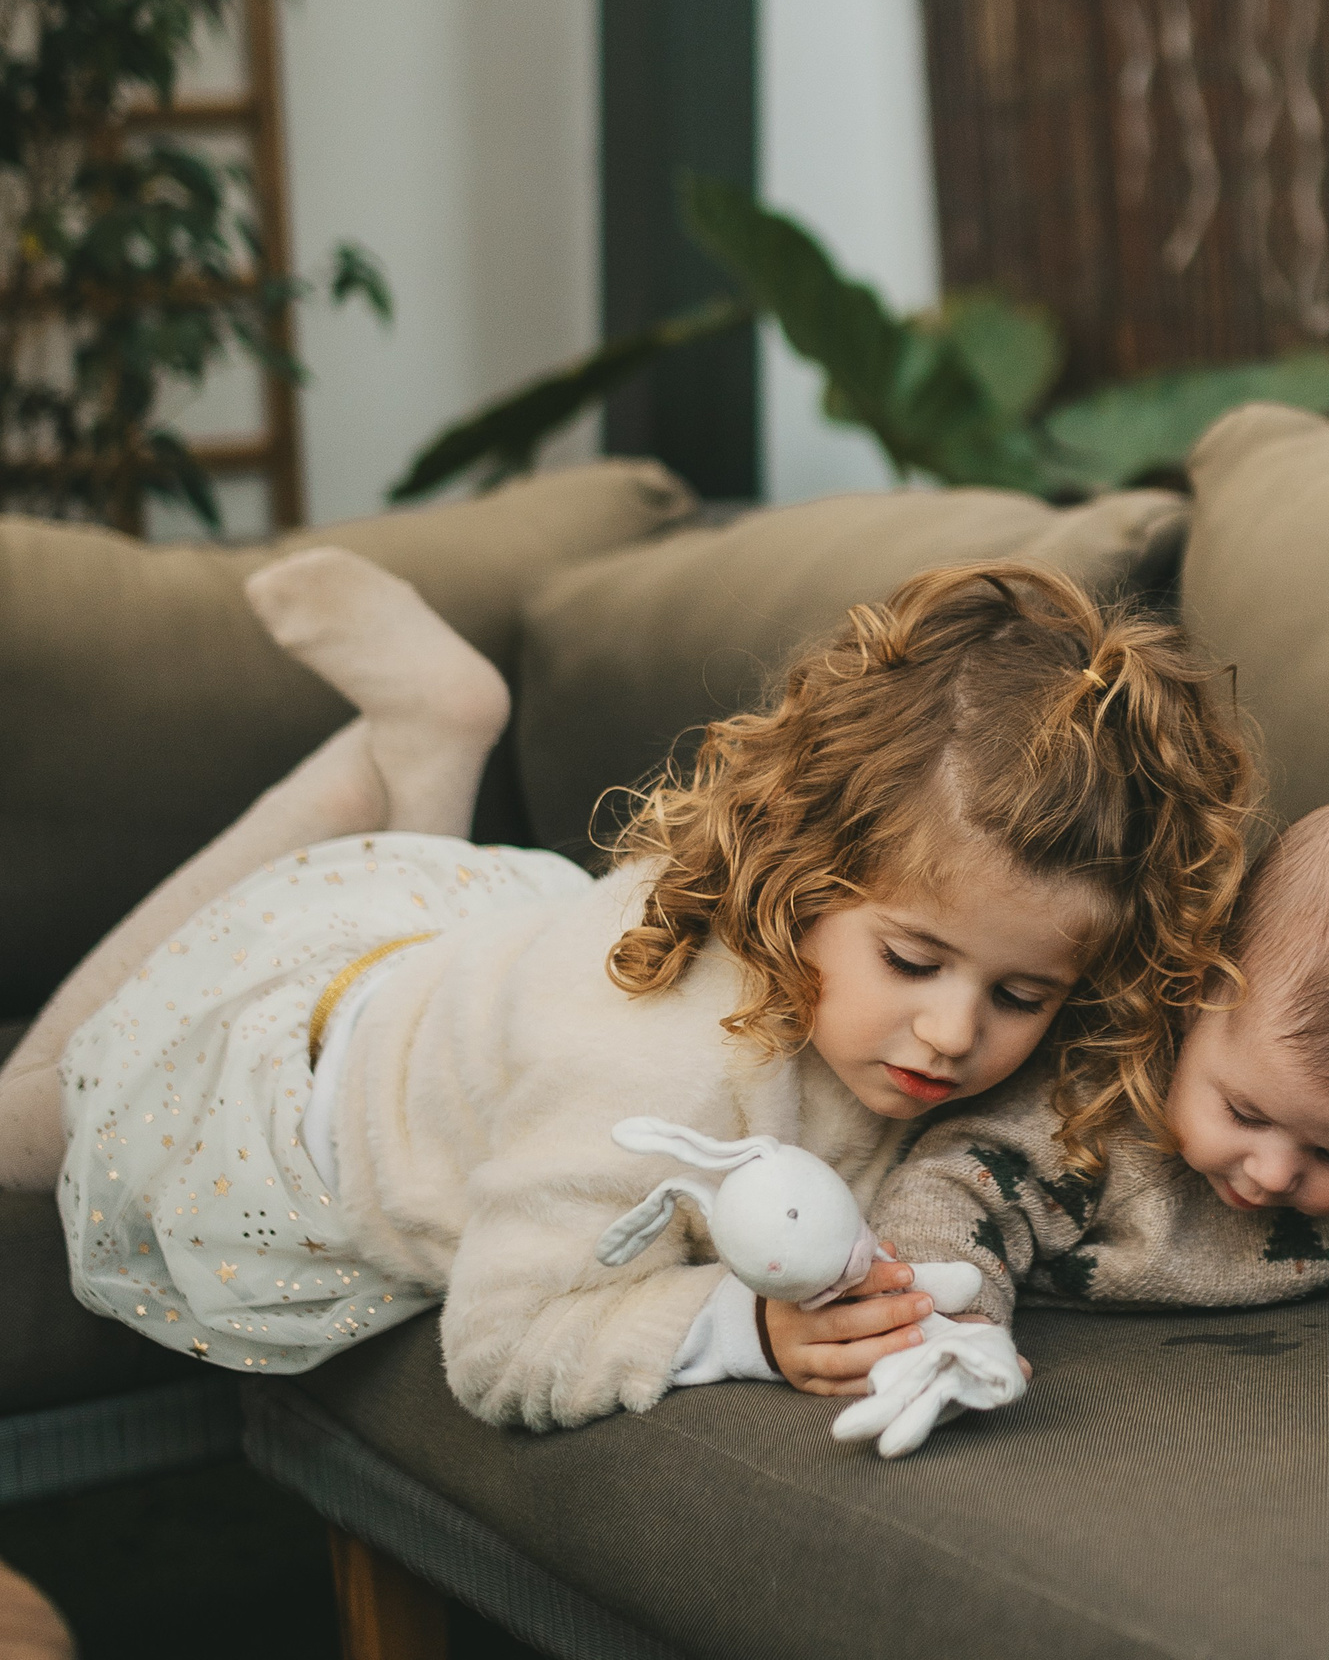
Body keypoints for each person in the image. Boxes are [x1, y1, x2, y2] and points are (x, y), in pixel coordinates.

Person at [3, 549, 1255, 1430]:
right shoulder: (644, 1068)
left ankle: (418, 754)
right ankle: (407, 757)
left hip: (468, 972)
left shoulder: (937, 970)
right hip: (289, 1104)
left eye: (1023, 996)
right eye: (912, 963)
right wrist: (744, 1333)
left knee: (356, 891)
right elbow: (499, 1348)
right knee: (55, 1107)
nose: (952, 1031)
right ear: (797, 878)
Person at [802, 797, 1329, 1360]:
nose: (1272, 1174)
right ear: (1192, 1001)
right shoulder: (1088, 1123)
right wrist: (954, 1329)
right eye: (1245, 1114)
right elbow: (950, 1196)